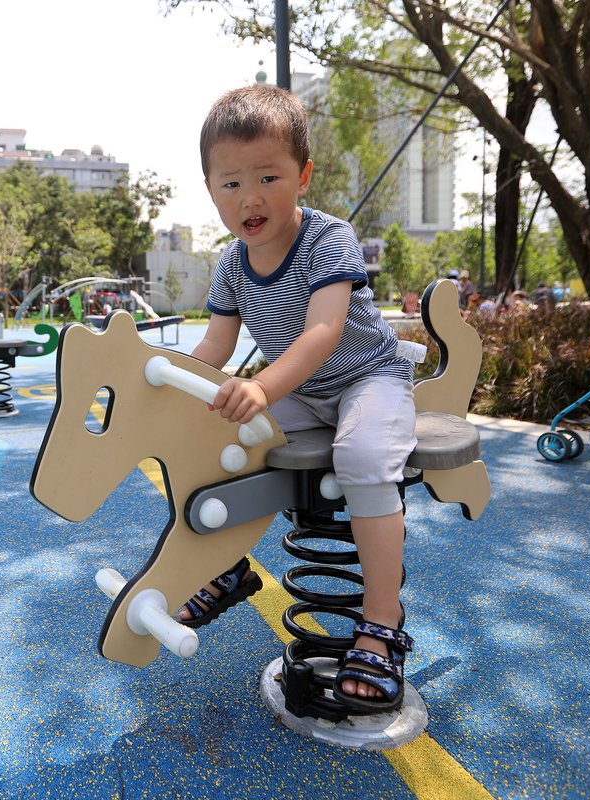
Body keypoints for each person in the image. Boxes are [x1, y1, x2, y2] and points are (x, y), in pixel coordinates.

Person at [173, 84, 417, 713]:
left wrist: (259, 386)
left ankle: (381, 623)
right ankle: (227, 565)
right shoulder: (231, 264)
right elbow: (215, 347)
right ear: (210, 189)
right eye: (230, 183)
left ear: (303, 176)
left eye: (268, 176)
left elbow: (322, 334)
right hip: (304, 393)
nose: (248, 197)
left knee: (364, 460)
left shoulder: (329, 239)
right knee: (218, 440)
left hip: (370, 379)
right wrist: (164, 381)